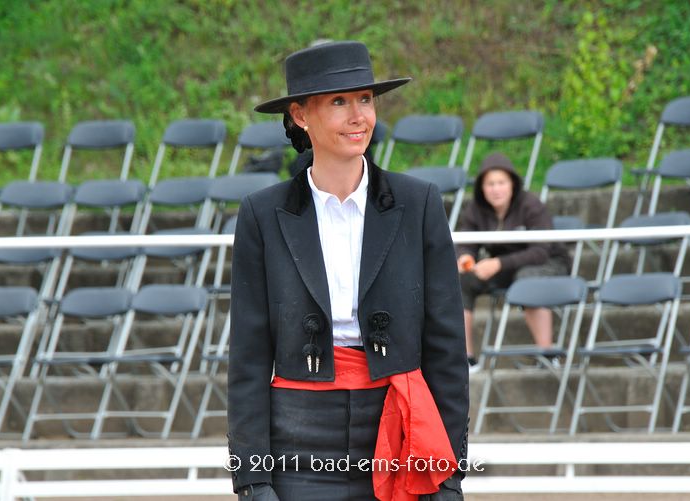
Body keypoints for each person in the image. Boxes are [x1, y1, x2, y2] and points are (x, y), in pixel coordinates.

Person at [228, 41, 469, 501]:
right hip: (296, 441)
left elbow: (447, 349)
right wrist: (253, 480)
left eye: (365, 99)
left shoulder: (419, 203)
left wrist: (448, 473)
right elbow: (248, 355)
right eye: (339, 101)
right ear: (300, 115)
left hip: (399, 431)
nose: (359, 116)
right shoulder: (260, 214)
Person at [456, 152, 571, 367]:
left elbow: (540, 251)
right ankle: (465, 360)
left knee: (526, 279)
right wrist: (465, 257)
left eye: (501, 182)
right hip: (505, 268)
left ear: (512, 184)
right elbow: (467, 241)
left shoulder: (531, 205)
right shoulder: (475, 210)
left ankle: (547, 356)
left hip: (547, 263)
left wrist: (498, 263)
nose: (496, 189)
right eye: (490, 184)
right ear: (482, 188)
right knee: (461, 281)